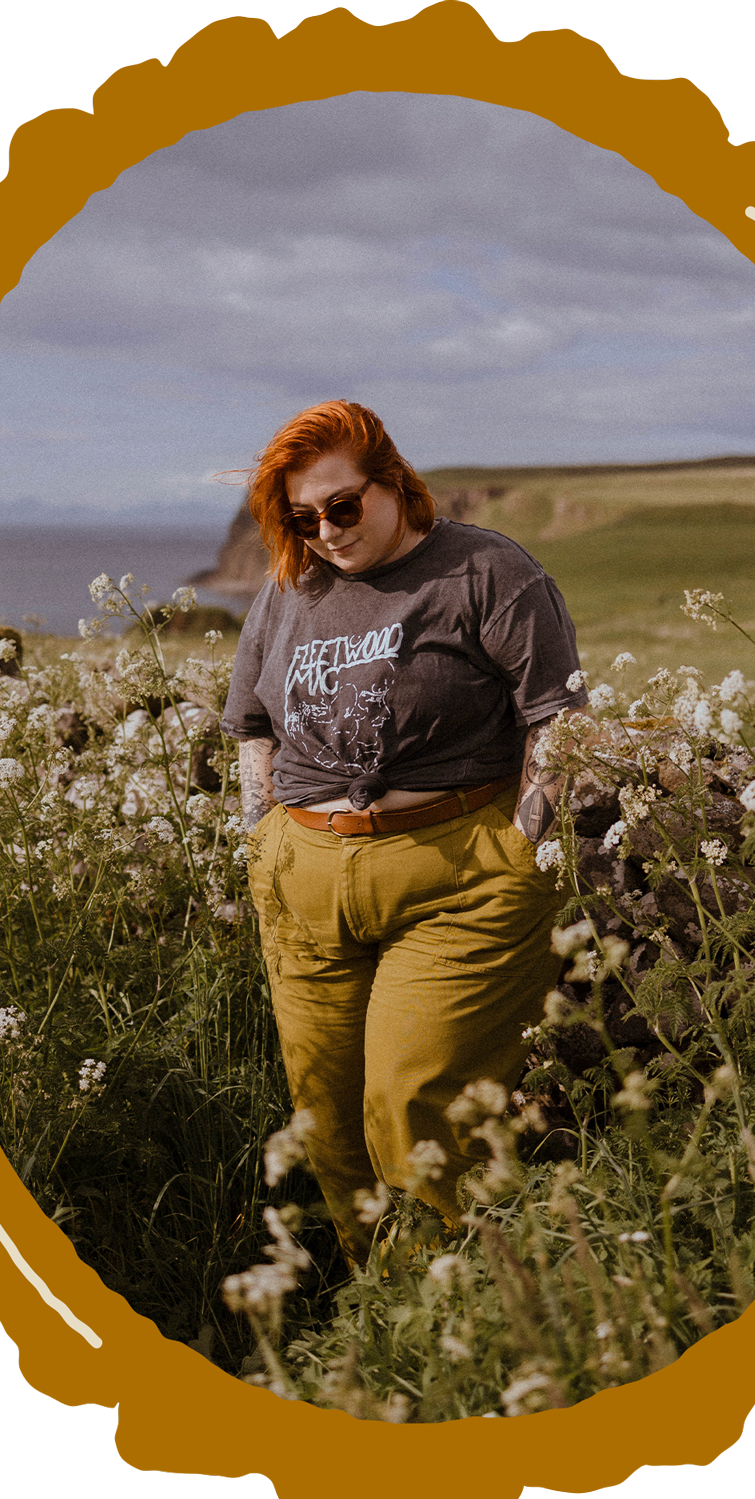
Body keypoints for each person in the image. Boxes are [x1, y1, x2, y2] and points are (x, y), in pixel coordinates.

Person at [220, 400, 587, 1265]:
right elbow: (252, 725)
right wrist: (262, 842)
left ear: (393, 480)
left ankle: (468, 1303)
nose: (326, 532)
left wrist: (526, 849)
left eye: (343, 506)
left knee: (412, 1099)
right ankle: (381, 1303)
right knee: (329, 1121)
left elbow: (558, 719)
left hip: (457, 874)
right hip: (302, 873)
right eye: (303, 520)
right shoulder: (291, 585)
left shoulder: (487, 572)